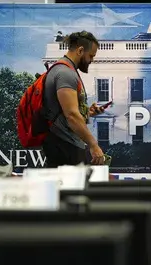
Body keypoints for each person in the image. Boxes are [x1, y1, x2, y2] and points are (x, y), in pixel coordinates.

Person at [42, 30, 106, 167]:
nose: (91, 61)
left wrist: (88, 113)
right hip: (65, 146)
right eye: (91, 56)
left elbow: (64, 111)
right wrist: (93, 145)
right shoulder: (65, 73)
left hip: (64, 144)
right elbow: (71, 115)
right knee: (72, 187)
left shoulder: (65, 70)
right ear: (80, 50)